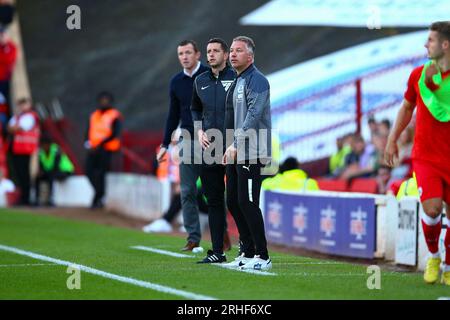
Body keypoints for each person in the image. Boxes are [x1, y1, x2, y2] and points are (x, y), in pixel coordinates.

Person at [385, 21, 450, 286]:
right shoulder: (418, 75)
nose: (426, 44)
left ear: (445, 45)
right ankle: (434, 256)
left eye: (431, 40)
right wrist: (392, 140)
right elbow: (406, 108)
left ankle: (448, 264)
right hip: (426, 157)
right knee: (432, 208)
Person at [222, 36, 272, 271]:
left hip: (252, 151)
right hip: (236, 150)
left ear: (250, 56)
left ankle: (263, 256)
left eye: (238, 51)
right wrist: (228, 144)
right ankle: (247, 251)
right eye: (231, 50)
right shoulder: (238, 81)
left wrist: (236, 143)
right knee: (233, 200)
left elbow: (253, 114)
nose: (232, 54)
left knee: (248, 202)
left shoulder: (258, 80)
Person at [156, 40, 208, 252]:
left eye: (188, 53)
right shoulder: (176, 81)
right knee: (186, 190)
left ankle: (221, 232)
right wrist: (164, 144)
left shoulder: (210, 75)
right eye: (180, 54)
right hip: (186, 137)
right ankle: (193, 237)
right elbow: (173, 115)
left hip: (211, 138)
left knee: (212, 190)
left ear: (197, 55)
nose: (184, 57)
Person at [190, 38, 235, 263]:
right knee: (214, 201)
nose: (211, 54)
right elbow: (195, 109)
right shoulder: (200, 81)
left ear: (226, 55)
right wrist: (199, 132)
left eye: (216, 51)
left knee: (238, 201)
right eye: (208, 51)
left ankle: (249, 249)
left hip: (235, 147)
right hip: (210, 147)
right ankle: (218, 251)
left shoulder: (237, 77)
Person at [85, 91, 122, 209]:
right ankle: (99, 194)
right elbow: (88, 131)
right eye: (102, 100)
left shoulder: (114, 115)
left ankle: (97, 199)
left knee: (101, 174)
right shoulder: (94, 115)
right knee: (88, 171)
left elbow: (115, 133)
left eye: (106, 100)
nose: (104, 102)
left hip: (106, 149)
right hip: (93, 149)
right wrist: (88, 144)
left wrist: (100, 144)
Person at [7, 98, 40, 205]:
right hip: (15, 149)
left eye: (24, 104)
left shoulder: (30, 116)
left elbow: (18, 128)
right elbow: (9, 127)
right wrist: (14, 128)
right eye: (20, 105)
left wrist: (14, 128)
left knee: (24, 174)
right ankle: (22, 197)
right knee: (18, 174)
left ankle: (26, 198)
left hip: (25, 149)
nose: (22, 107)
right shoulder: (18, 117)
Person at [35, 136, 74, 206]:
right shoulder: (41, 152)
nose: (43, 147)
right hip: (51, 171)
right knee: (38, 178)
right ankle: (37, 199)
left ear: (49, 144)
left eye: (44, 145)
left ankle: (51, 199)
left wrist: (44, 172)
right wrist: (40, 172)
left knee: (51, 177)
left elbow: (56, 166)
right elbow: (42, 166)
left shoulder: (56, 150)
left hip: (65, 171)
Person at [0, 27, 17, 127]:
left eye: (2, 35)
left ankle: (4, 125)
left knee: (3, 103)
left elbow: (8, 59)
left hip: (3, 80)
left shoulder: (11, 47)